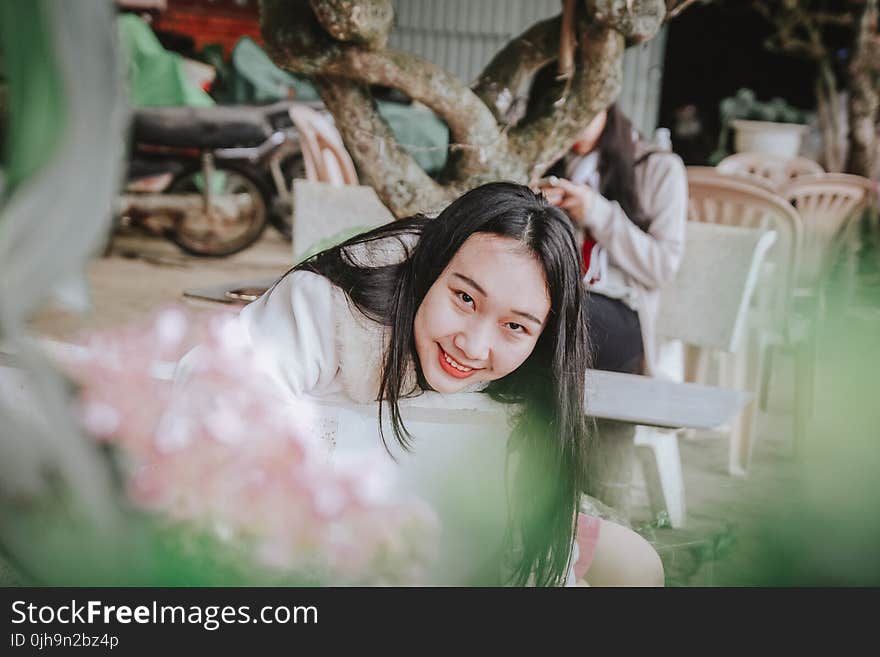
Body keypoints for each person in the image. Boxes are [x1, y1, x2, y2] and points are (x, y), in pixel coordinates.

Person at [178, 182, 662, 586]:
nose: (472, 346)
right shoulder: (338, 309)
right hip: (329, 537)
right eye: (464, 298)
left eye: (515, 326)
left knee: (637, 564)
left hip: (469, 528)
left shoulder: (536, 372)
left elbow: (529, 529)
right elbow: (224, 394)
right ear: (431, 270)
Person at [539, 103, 688, 376]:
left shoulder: (659, 167)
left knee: (554, 316)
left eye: (581, 112)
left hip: (622, 310)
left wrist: (596, 212)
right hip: (557, 293)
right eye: (559, 116)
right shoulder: (550, 163)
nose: (572, 126)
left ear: (605, 105)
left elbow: (663, 267)